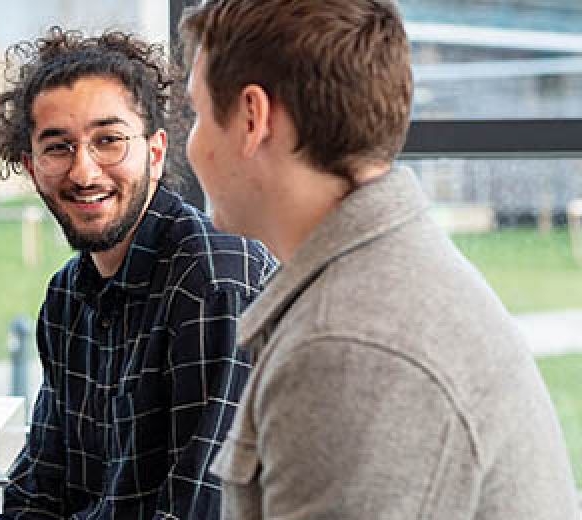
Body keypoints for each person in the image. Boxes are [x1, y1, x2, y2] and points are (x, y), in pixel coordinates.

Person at [179, 0, 578, 517]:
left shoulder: (347, 348)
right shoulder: (381, 279)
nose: (190, 145)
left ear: (253, 118)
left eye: (196, 114)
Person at [0, 27, 276, 518]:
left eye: (109, 141)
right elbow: (37, 490)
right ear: (32, 168)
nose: (84, 171)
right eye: (58, 147)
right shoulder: (66, 299)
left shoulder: (212, 281)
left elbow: (197, 510)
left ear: (156, 154)